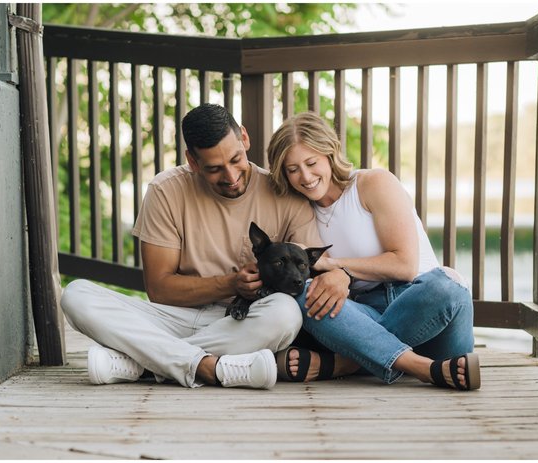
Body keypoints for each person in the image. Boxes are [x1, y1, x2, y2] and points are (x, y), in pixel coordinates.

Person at [61, 103, 333, 389]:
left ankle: (142, 363)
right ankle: (206, 366)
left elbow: (306, 275)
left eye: (236, 159)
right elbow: (159, 289)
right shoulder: (165, 191)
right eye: (214, 169)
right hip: (175, 316)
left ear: (244, 137)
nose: (230, 176)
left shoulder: (284, 193)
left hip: (245, 320)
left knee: (285, 313)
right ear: (192, 161)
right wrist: (231, 284)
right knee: (77, 295)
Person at [265, 111, 480, 391]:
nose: (305, 176)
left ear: (329, 153)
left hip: (426, 305)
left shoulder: (372, 184)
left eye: (311, 162)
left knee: (447, 284)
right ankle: (422, 368)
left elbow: (404, 265)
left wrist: (337, 267)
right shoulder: (300, 213)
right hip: (366, 311)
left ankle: (345, 364)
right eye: (292, 170)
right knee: (305, 294)